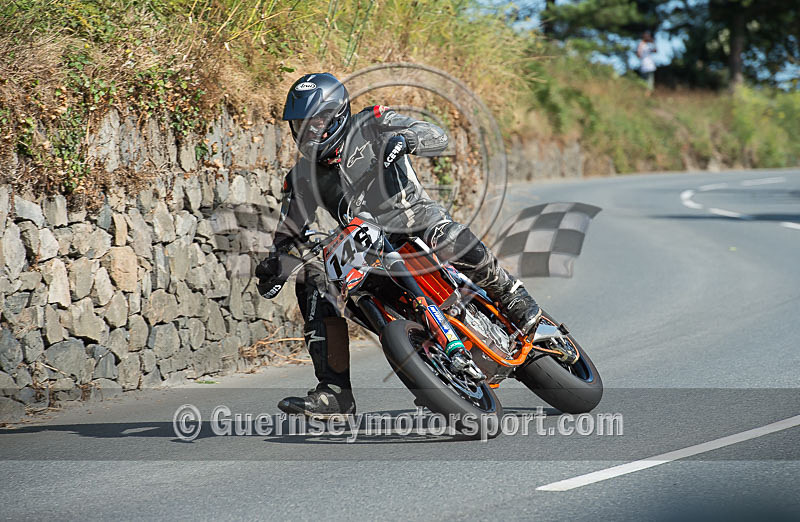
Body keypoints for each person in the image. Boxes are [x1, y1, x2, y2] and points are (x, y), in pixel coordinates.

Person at [255, 73, 541, 417]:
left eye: (316, 122)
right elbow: (289, 230)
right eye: (301, 125)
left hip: (414, 221)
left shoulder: (373, 121)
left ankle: (511, 294)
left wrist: (405, 139)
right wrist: (276, 262)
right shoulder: (302, 175)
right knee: (314, 285)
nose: (309, 132)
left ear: (337, 114)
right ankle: (335, 392)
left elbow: (436, 136)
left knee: (446, 236)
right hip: (365, 245)